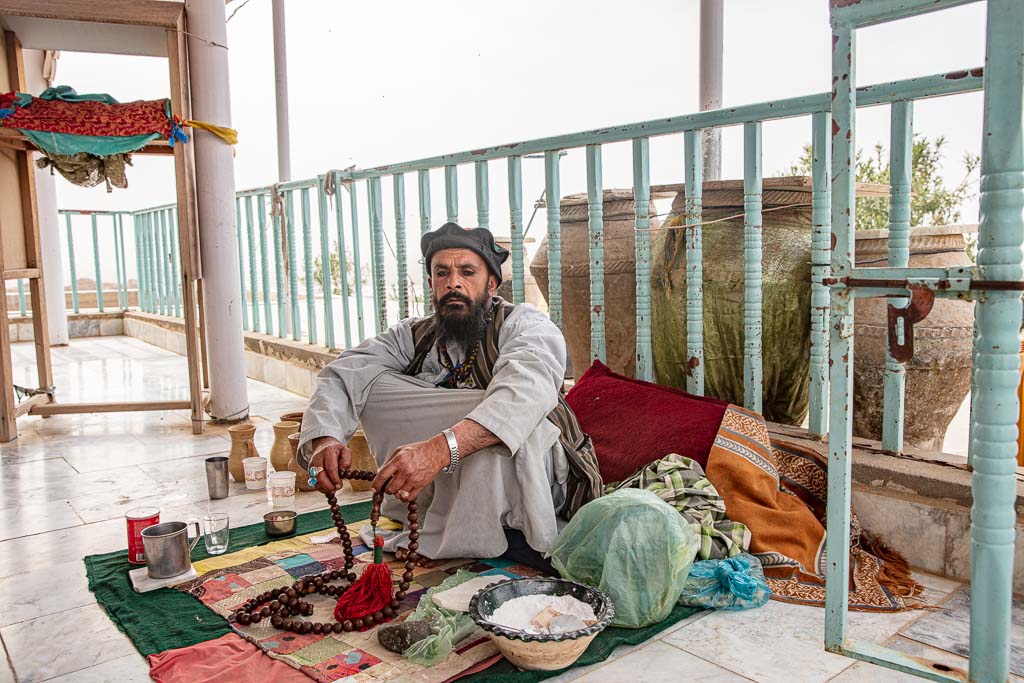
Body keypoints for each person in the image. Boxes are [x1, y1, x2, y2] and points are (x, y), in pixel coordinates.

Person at [297, 222, 601, 565]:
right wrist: (325, 438)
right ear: (431, 283)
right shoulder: (414, 336)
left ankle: (482, 534)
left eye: (467, 272)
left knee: (505, 419)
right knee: (370, 382)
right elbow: (343, 372)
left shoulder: (526, 325)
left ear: (491, 283)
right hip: (445, 483)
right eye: (442, 273)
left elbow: (523, 392)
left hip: (537, 482)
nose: (453, 282)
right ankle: (442, 517)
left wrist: (439, 450)